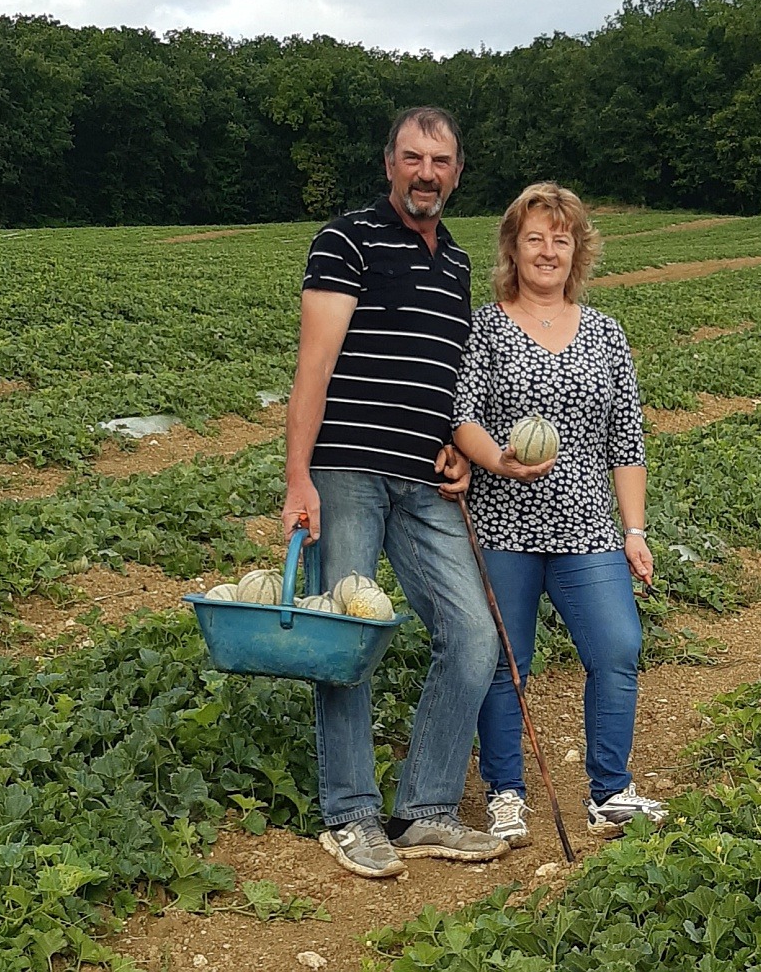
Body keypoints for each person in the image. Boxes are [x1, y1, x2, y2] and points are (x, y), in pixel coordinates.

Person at [280, 106, 509, 879]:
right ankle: (350, 814)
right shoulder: (345, 240)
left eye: (440, 161)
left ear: (457, 173)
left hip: (425, 480)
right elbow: (314, 367)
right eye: (413, 158)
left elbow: (445, 377)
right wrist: (298, 477)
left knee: (473, 634)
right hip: (347, 470)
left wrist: (459, 447)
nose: (426, 174)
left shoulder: (458, 263)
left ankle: (425, 810)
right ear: (389, 164)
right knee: (347, 638)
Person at [452, 181, 667, 846]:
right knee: (503, 663)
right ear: (513, 250)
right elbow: (461, 416)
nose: (548, 251)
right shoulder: (485, 327)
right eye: (535, 239)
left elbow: (626, 440)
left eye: (561, 240)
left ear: (578, 252)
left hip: (587, 528)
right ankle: (506, 794)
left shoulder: (605, 333)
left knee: (617, 646)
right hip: (502, 524)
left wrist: (634, 530)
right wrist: (497, 460)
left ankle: (610, 791)